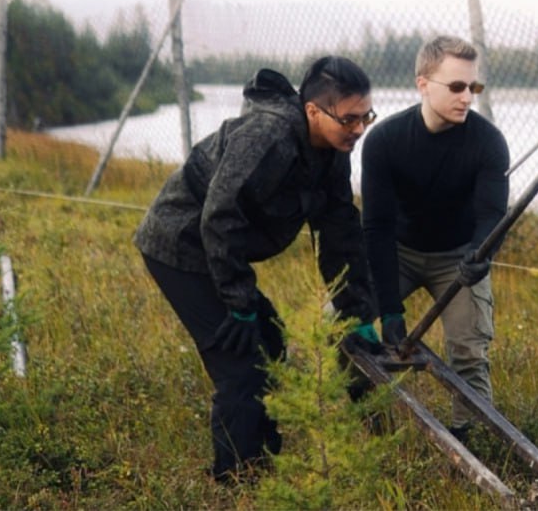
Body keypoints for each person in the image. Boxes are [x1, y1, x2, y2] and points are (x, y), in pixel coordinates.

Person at [134, 56, 382, 483]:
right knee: (241, 362)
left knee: (269, 339)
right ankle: (238, 480)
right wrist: (238, 302)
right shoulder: (268, 137)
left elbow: (341, 234)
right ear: (313, 111)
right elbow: (219, 214)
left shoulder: (333, 151)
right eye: (349, 119)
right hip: (180, 244)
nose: (359, 129)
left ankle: (263, 458)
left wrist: (355, 312)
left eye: (367, 118)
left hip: (218, 249)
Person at [360, 35, 509, 442]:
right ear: (423, 84)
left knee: (468, 353)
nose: (467, 98)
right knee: (340, 323)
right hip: (399, 253)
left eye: (473, 88)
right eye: (457, 87)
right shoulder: (384, 141)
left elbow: (492, 214)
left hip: (459, 257)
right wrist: (389, 309)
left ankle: (471, 442)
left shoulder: (488, 142)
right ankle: (366, 424)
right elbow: (375, 227)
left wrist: (482, 252)